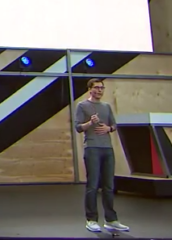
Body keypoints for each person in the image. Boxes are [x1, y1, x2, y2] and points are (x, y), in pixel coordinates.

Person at [74, 78, 129, 234]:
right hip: (92, 148)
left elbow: (114, 125)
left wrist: (108, 128)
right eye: (97, 88)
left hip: (107, 148)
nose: (99, 90)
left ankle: (111, 220)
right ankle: (91, 220)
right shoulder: (82, 106)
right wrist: (90, 123)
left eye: (102, 88)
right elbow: (78, 127)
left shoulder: (106, 106)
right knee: (93, 185)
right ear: (90, 89)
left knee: (109, 185)